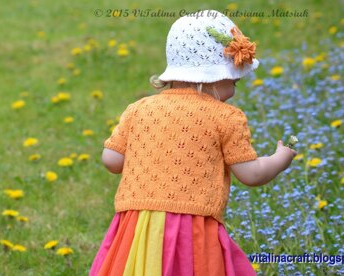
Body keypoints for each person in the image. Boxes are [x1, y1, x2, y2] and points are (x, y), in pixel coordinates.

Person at [89, 9, 297, 276]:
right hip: (192, 230)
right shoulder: (226, 117)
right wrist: (281, 158)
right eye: (234, 81)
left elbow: (111, 160)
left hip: (136, 228)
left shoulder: (138, 109)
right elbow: (252, 174)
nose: (233, 90)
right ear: (214, 78)